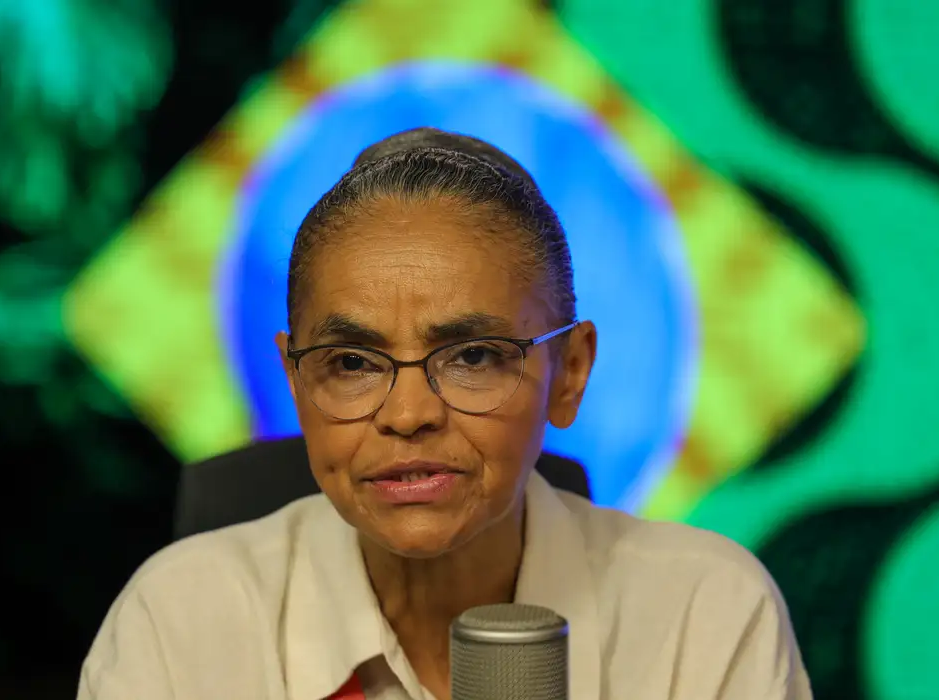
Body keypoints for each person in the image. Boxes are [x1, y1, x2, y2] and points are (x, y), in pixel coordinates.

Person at [77, 127, 813, 700]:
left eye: (473, 356)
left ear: (571, 372)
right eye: (353, 364)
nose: (407, 414)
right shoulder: (181, 620)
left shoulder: (702, 614)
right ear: (297, 385)